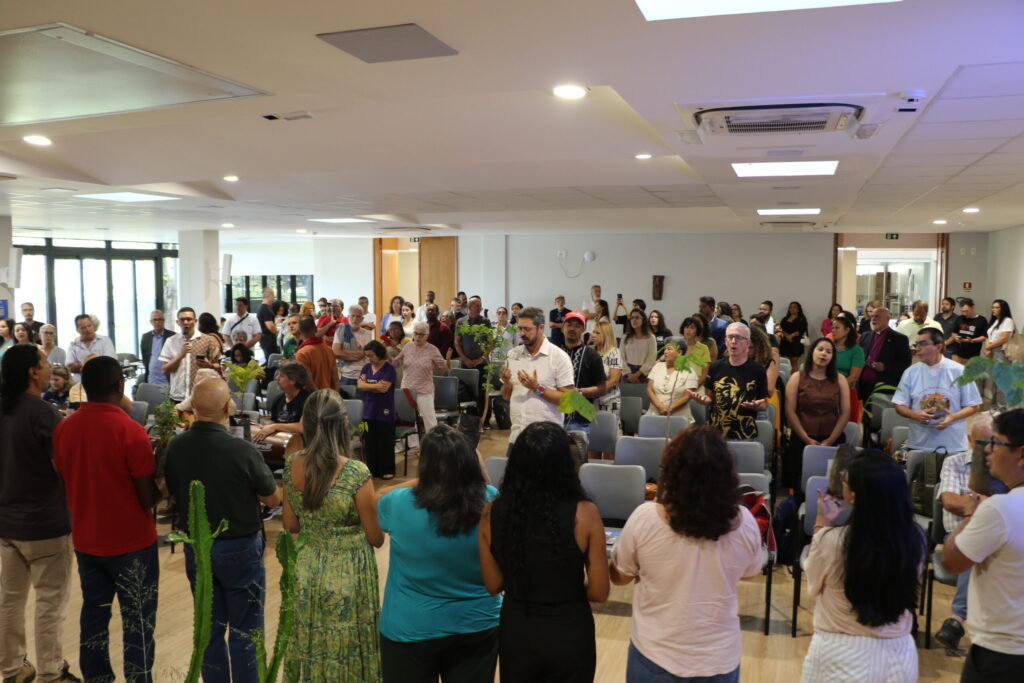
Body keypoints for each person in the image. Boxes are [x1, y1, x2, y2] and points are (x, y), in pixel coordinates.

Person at [611, 425, 761, 682]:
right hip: (718, 658)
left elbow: (620, 576)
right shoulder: (744, 522)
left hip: (655, 653)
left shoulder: (645, 518)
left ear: (671, 471)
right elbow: (750, 572)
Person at [164, 378, 281, 683]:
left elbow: (166, 488)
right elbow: (272, 497)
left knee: (209, 628)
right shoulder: (240, 449)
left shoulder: (176, 445)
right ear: (228, 406)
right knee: (245, 629)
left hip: (197, 546)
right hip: (239, 546)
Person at [52, 356, 161, 683]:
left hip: (87, 541)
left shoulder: (64, 429)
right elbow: (147, 498)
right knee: (138, 622)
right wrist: (164, 485)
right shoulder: (132, 431)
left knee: (94, 616)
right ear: (120, 386)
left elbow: (64, 485)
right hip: (132, 544)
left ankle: (97, 678)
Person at [478, 422, 609, 682]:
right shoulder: (585, 513)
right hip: (570, 629)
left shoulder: (492, 512)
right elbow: (599, 592)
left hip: (517, 630)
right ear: (566, 464)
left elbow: (493, 585)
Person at [377, 425, 501, 683]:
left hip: (411, 627)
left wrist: (426, 479)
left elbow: (375, 497)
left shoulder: (399, 502)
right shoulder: (490, 500)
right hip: (478, 622)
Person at [282, 390, 383, 681]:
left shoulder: (292, 464)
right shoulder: (354, 472)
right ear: (342, 424)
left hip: (309, 566)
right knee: (348, 644)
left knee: (312, 641)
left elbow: (290, 524)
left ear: (307, 423)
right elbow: (375, 538)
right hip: (350, 571)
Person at [801, 450, 926, 682]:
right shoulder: (914, 540)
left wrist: (823, 524)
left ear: (856, 496)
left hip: (838, 651)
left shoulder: (832, 540)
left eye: (846, 482)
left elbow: (813, 584)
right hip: (899, 654)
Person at [0, 345, 79, 683]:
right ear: (33, 372)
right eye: (45, 363)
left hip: (6, 522)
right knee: (49, 602)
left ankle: (12, 669)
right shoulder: (43, 413)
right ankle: (50, 672)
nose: (50, 368)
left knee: (10, 601)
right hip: (44, 523)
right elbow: (62, 466)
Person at [941, 408, 1024, 682]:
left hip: (1002, 654)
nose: (987, 450)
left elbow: (952, 562)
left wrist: (969, 512)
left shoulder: (999, 508)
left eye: (996, 443)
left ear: (1021, 454)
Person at [931, 415, 995, 651]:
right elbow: (949, 501)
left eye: (993, 442)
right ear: (969, 440)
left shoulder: (1002, 466)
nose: (988, 449)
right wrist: (985, 504)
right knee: (975, 550)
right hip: (958, 534)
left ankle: (956, 622)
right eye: (981, 443)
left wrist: (974, 502)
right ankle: (960, 619)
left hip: (995, 536)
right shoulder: (954, 463)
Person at [892, 328, 981, 455]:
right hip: (919, 444)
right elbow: (899, 405)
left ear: (938, 346)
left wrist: (953, 417)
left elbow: (974, 406)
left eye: (923, 344)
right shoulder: (911, 372)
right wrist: (914, 414)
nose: (917, 348)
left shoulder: (959, 371)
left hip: (953, 445)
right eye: (916, 344)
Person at [499, 307, 574, 445]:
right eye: (520, 328)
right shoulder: (513, 355)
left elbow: (568, 402)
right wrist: (507, 383)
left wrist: (537, 388)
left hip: (547, 440)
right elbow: (506, 396)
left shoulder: (558, 357)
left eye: (527, 329)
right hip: (517, 437)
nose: (522, 333)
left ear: (541, 328)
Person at [783, 338, 851, 492]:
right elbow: (790, 411)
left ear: (833, 357)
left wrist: (830, 440)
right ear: (812, 351)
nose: (824, 354)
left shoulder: (840, 379)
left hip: (832, 438)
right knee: (801, 485)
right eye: (820, 349)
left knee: (832, 487)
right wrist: (806, 439)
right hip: (802, 438)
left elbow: (845, 412)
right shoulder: (797, 377)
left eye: (828, 351)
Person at [689, 323, 768, 441]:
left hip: (744, 434)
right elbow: (710, 396)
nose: (733, 341)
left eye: (738, 337)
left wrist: (756, 406)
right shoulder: (715, 366)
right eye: (730, 337)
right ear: (725, 341)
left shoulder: (758, 370)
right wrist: (705, 400)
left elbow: (764, 403)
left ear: (748, 343)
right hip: (716, 434)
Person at [393, 322, 449, 433]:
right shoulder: (408, 346)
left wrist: (448, 362)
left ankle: (434, 444)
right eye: (416, 333)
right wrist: (392, 359)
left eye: (421, 334)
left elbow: (444, 366)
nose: (417, 337)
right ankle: (413, 445)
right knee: (408, 420)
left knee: (429, 419)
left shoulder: (432, 349)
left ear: (427, 335)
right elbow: (397, 362)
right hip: (407, 388)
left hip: (424, 390)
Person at [558, 311, 607, 436]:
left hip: (582, 420)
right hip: (555, 417)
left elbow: (602, 388)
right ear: (562, 327)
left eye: (577, 326)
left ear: (583, 330)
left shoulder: (592, 356)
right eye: (569, 325)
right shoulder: (554, 354)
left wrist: (580, 392)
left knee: (578, 455)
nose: (573, 328)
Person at [160, 307, 222, 403]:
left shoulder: (208, 340)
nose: (185, 322)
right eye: (182, 319)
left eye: (189, 319)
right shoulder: (171, 341)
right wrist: (181, 355)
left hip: (201, 396)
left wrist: (209, 365)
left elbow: (219, 367)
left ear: (195, 321)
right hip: (177, 397)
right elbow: (165, 370)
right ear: (177, 322)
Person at [359, 340, 398, 479]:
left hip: (385, 411)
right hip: (368, 411)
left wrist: (367, 385)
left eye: (371, 356)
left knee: (385, 442)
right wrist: (375, 386)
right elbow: (360, 385)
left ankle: (388, 470)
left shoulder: (389, 369)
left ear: (379, 354)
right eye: (367, 356)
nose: (369, 359)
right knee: (370, 443)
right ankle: (373, 470)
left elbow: (384, 388)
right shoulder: (366, 368)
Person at [857, 306, 911, 399]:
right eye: (872, 316)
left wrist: (885, 367)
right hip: (863, 387)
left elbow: (905, 363)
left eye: (877, 316)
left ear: (887, 319)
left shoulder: (899, 339)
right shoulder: (865, 336)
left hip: (884, 388)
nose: (873, 319)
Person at [254, 361, 313, 442]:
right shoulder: (278, 399)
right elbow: (273, 421)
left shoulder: (309, 400)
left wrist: (275, 426)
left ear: (293, 380)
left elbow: (302, 427)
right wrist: (260, 427)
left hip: (301, 444)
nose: (276, 378)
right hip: (282, 441)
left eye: (281, 376)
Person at [589, 319, 622, 458]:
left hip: (609, 402)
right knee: (592, 443)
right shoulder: (590, 351)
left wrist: (595, 391)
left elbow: (614, 380)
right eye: (593, 332)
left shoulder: (613, 353)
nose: (593, 335)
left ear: (605, 335)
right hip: (590, 402)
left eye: (597, 332)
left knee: (609, 444)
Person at [454, 296, 491, 415]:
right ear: (469, 307)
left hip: (482, 363)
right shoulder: (461, 322)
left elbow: (490, 343)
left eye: (480, 305)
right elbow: (457, 342)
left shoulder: (485, 321)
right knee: (468, 392)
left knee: (483, 391)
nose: (480, 308)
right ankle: (471, 419)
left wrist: (481, 359)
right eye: (478, 306)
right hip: (466, 364)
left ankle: (484, 420)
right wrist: (465, 359)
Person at [646, 342, 698, 421]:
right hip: (654, 414)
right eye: (665, 349)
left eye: (669, 349)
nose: (665, 352)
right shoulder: (657, 366)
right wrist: (660, 406)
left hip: (679, 417)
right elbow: (649, 389)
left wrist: (668, 409)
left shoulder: (689, 371)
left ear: (680, 352)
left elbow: (687, 396)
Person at [831, 312, 865, 424]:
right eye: (833, 328)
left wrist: (837, 387)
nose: (833, 330)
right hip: (826, 391)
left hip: (846, 391)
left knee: (846, 426)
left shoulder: (857, 350)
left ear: (847, 330)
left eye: (837, 328)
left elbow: (854, 376)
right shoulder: (829, 347)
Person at [333, 305, 374, 395]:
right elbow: (335, 352)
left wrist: (344, 351)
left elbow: (365, 353)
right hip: (347, 375)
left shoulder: (367, 334)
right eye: (352, 316)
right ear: (348, 317)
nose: (355, 319)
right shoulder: (341, 331)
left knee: (363, 405)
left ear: (362, 319)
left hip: (363, 375)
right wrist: (357, 353)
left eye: (358, 316)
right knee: (348, 406)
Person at [983, 299, 1014, 412]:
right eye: (992, 307)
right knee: (994, 381)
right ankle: (993, 407)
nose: (993, 309)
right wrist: (988, 347)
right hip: (992, 351)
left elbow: (1004, 338)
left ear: (1003, 309)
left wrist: (989, 347)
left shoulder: (1007, 320)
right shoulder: (995, 321)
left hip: (1001, 352)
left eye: (996, 307)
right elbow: (987, 336)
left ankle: (1002, 409)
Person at [295, 315, 339, 392]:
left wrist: (320, 399)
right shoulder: (329, 350)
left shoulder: (301, 354)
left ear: (299, 331)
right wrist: (334, 398)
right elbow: (336, 381)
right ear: (316, 329)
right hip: (330, 396)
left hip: (312, 399)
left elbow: (309, 384)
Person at [65, 314, 116, 381]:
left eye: (89, 326)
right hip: (80, 384)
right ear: (77, 330)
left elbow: (109, 363)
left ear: (93, 326)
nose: (88, 329)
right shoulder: (73, 345)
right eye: (83, 328)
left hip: (103, 381)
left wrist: (80, 365)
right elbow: (69, 367)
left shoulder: (105, 341)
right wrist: (96, 364)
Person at [621, 308, 657, 384]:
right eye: (632, 318)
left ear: (643, 320)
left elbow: (652, 358)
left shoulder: (651, 338)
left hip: (644, 374)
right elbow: (621, 357)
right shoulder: (625, 337)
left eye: (637, 317)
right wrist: (629, 374)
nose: (634, 320)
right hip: (627, 374)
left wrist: (637, 375)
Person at [139, 310, 173, 385]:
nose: (157, 322)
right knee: (151, 396)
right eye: (155, 320)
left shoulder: (172, 336)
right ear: (151, 321)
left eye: (160, 319)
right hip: (151, 378)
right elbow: (145, 358)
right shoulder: (145, 337)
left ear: (163, 321)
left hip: (167, 379)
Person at [950, 297, 988, 365]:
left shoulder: (982, 320)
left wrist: (972, 340)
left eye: (966, 311)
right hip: (957, 353)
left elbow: (984, 337)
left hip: (972, 355)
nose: (964, 313)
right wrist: (956, 337)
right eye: (962, 311)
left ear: (972, 307)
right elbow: (954, 332)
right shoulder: (959, 318)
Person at [678, 316, 712, 387]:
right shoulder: (677, 347)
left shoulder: (703, 348)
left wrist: (694, 387)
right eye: (686, 327)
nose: (688, 330)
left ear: (697, 331)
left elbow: (705, 373)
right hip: (678, 385)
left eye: (692, 328)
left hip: (696, 386)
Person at [778, 301, 809, 369]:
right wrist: (787, 336)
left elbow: (802, 329)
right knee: (786, 362)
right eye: (791, 307)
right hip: (785, 342)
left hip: (796, 343)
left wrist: (791, 336)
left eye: (794, 307)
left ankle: (794, 378)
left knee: (794, 362)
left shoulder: (802, 319)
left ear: (798, 309)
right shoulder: (785, 319)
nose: (792, 309)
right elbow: (781, 329)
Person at [256, 287, 280, 359]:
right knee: (271, 359)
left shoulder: (263, 308)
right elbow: (270, 326)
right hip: (267, 339)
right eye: (273, 295)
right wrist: (277, 332)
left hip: (265, 338)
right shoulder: (265, 309)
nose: (274, 297)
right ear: (269, 295)